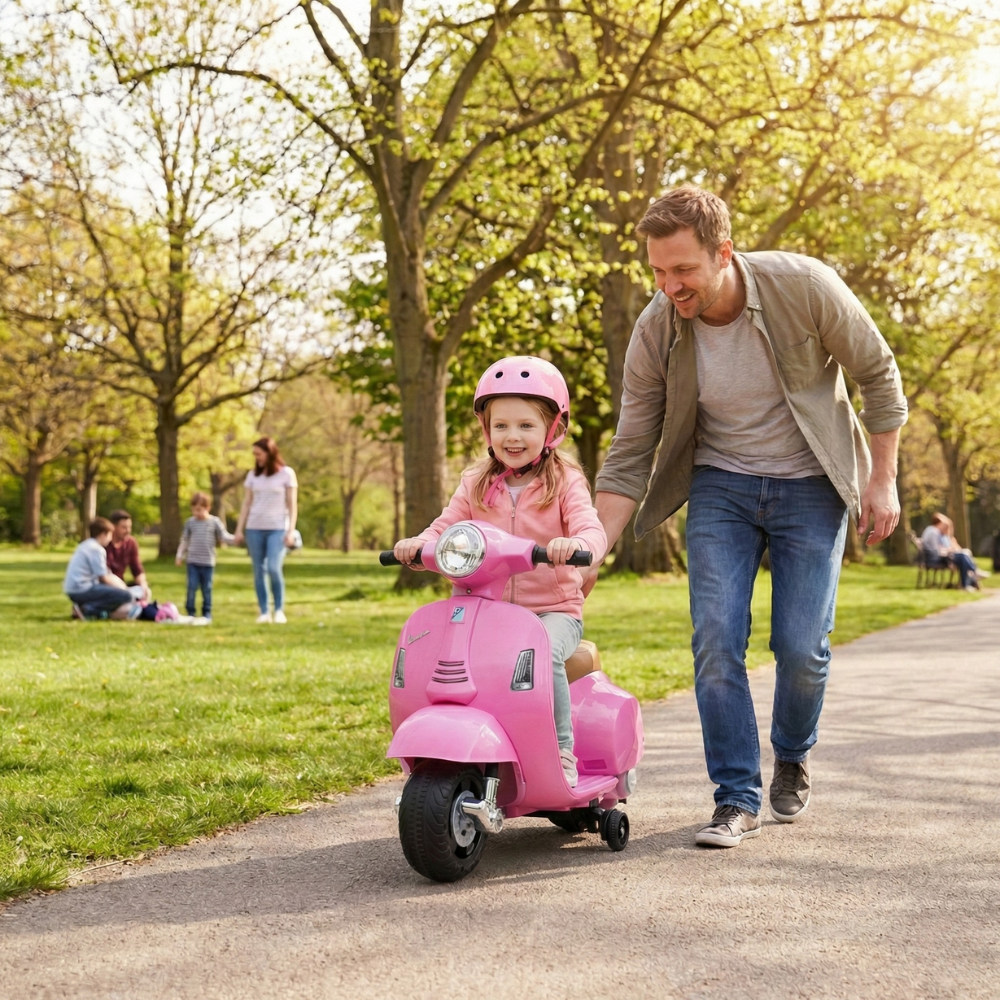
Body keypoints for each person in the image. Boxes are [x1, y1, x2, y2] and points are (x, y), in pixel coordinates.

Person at [588, 186, 907, 847]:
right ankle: (736, 797)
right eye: (657, 271)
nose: (669, 286)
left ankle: (792, 751)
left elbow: (879, 374)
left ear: (723, 253)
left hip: (811, 481)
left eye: (683, 269)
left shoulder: (804, 286)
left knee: (801, 648)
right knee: (715, 642)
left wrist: (882, 481)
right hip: (721, 486)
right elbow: (631, 451)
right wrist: (593, 546)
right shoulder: (657, 328)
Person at [393, 356, 608, 787]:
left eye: (526, 425)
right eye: (501, 425)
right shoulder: (475, 480)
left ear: (553, 429)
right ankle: (452, 745)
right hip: (483, 610)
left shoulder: (564, 480)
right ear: (486, 429)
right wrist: (420, 543)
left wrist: (578, 545)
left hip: (552, 610)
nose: (512, 436)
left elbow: (590, 527)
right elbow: (446, 524)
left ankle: (560, 749)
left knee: (541, 652)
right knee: (438, 656)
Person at [234, 437, 298, 624]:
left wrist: (291, 531)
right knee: (258, 570)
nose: (256, 457)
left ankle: (279, 610)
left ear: (270, 453)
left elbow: (292, 505)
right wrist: (239, 530)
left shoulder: (287, 474)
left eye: (259, 454)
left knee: (273, 568)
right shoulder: (252, 476)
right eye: (254, 454)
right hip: (254, 528)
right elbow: (247, 503)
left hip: (278, 528)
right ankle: (264, 612)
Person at [64, 517, 142, 620]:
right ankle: (87, 609)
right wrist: (124, 590)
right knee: (126, 596)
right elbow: (104, 578)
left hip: (73, 589)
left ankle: (84, 608)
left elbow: (106, 573)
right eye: (109, 535)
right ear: (103, 534)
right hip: (82, 589)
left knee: (119, 593)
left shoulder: (85, 545)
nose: (110, 539)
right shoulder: (97, 549)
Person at [176, 492, 235, 621]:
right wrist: (179, 555)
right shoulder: (190, 523)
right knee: (192, 586)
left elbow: (223, 536)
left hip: (208, 562)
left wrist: (235, 539)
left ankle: (206, 612)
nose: (196, 513)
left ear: (207, 507)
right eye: (194, 510)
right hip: (193, 561)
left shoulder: (214, 522)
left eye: (199, 509)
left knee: (207, 588)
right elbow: (185, 540)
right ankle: (190, 611)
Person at [922, 513, 980, 592]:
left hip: (938, 557)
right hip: (935, 558)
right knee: (962, 557)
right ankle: (971, 576)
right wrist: (948, 550)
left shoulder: (932, 530)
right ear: (939, 522)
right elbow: (936, 550)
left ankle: (969, 580)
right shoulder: (934, 532)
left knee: (963, 556)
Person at [105, 510, 152, 601]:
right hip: (106, 585)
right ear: (113, 527)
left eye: (129, 527)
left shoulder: (131, 543)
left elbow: (137, 569)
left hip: (122, 585)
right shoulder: (104, 544)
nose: (128, 531)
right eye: (124, 527)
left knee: (145, 591)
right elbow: (103, 575)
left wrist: (143, 585)